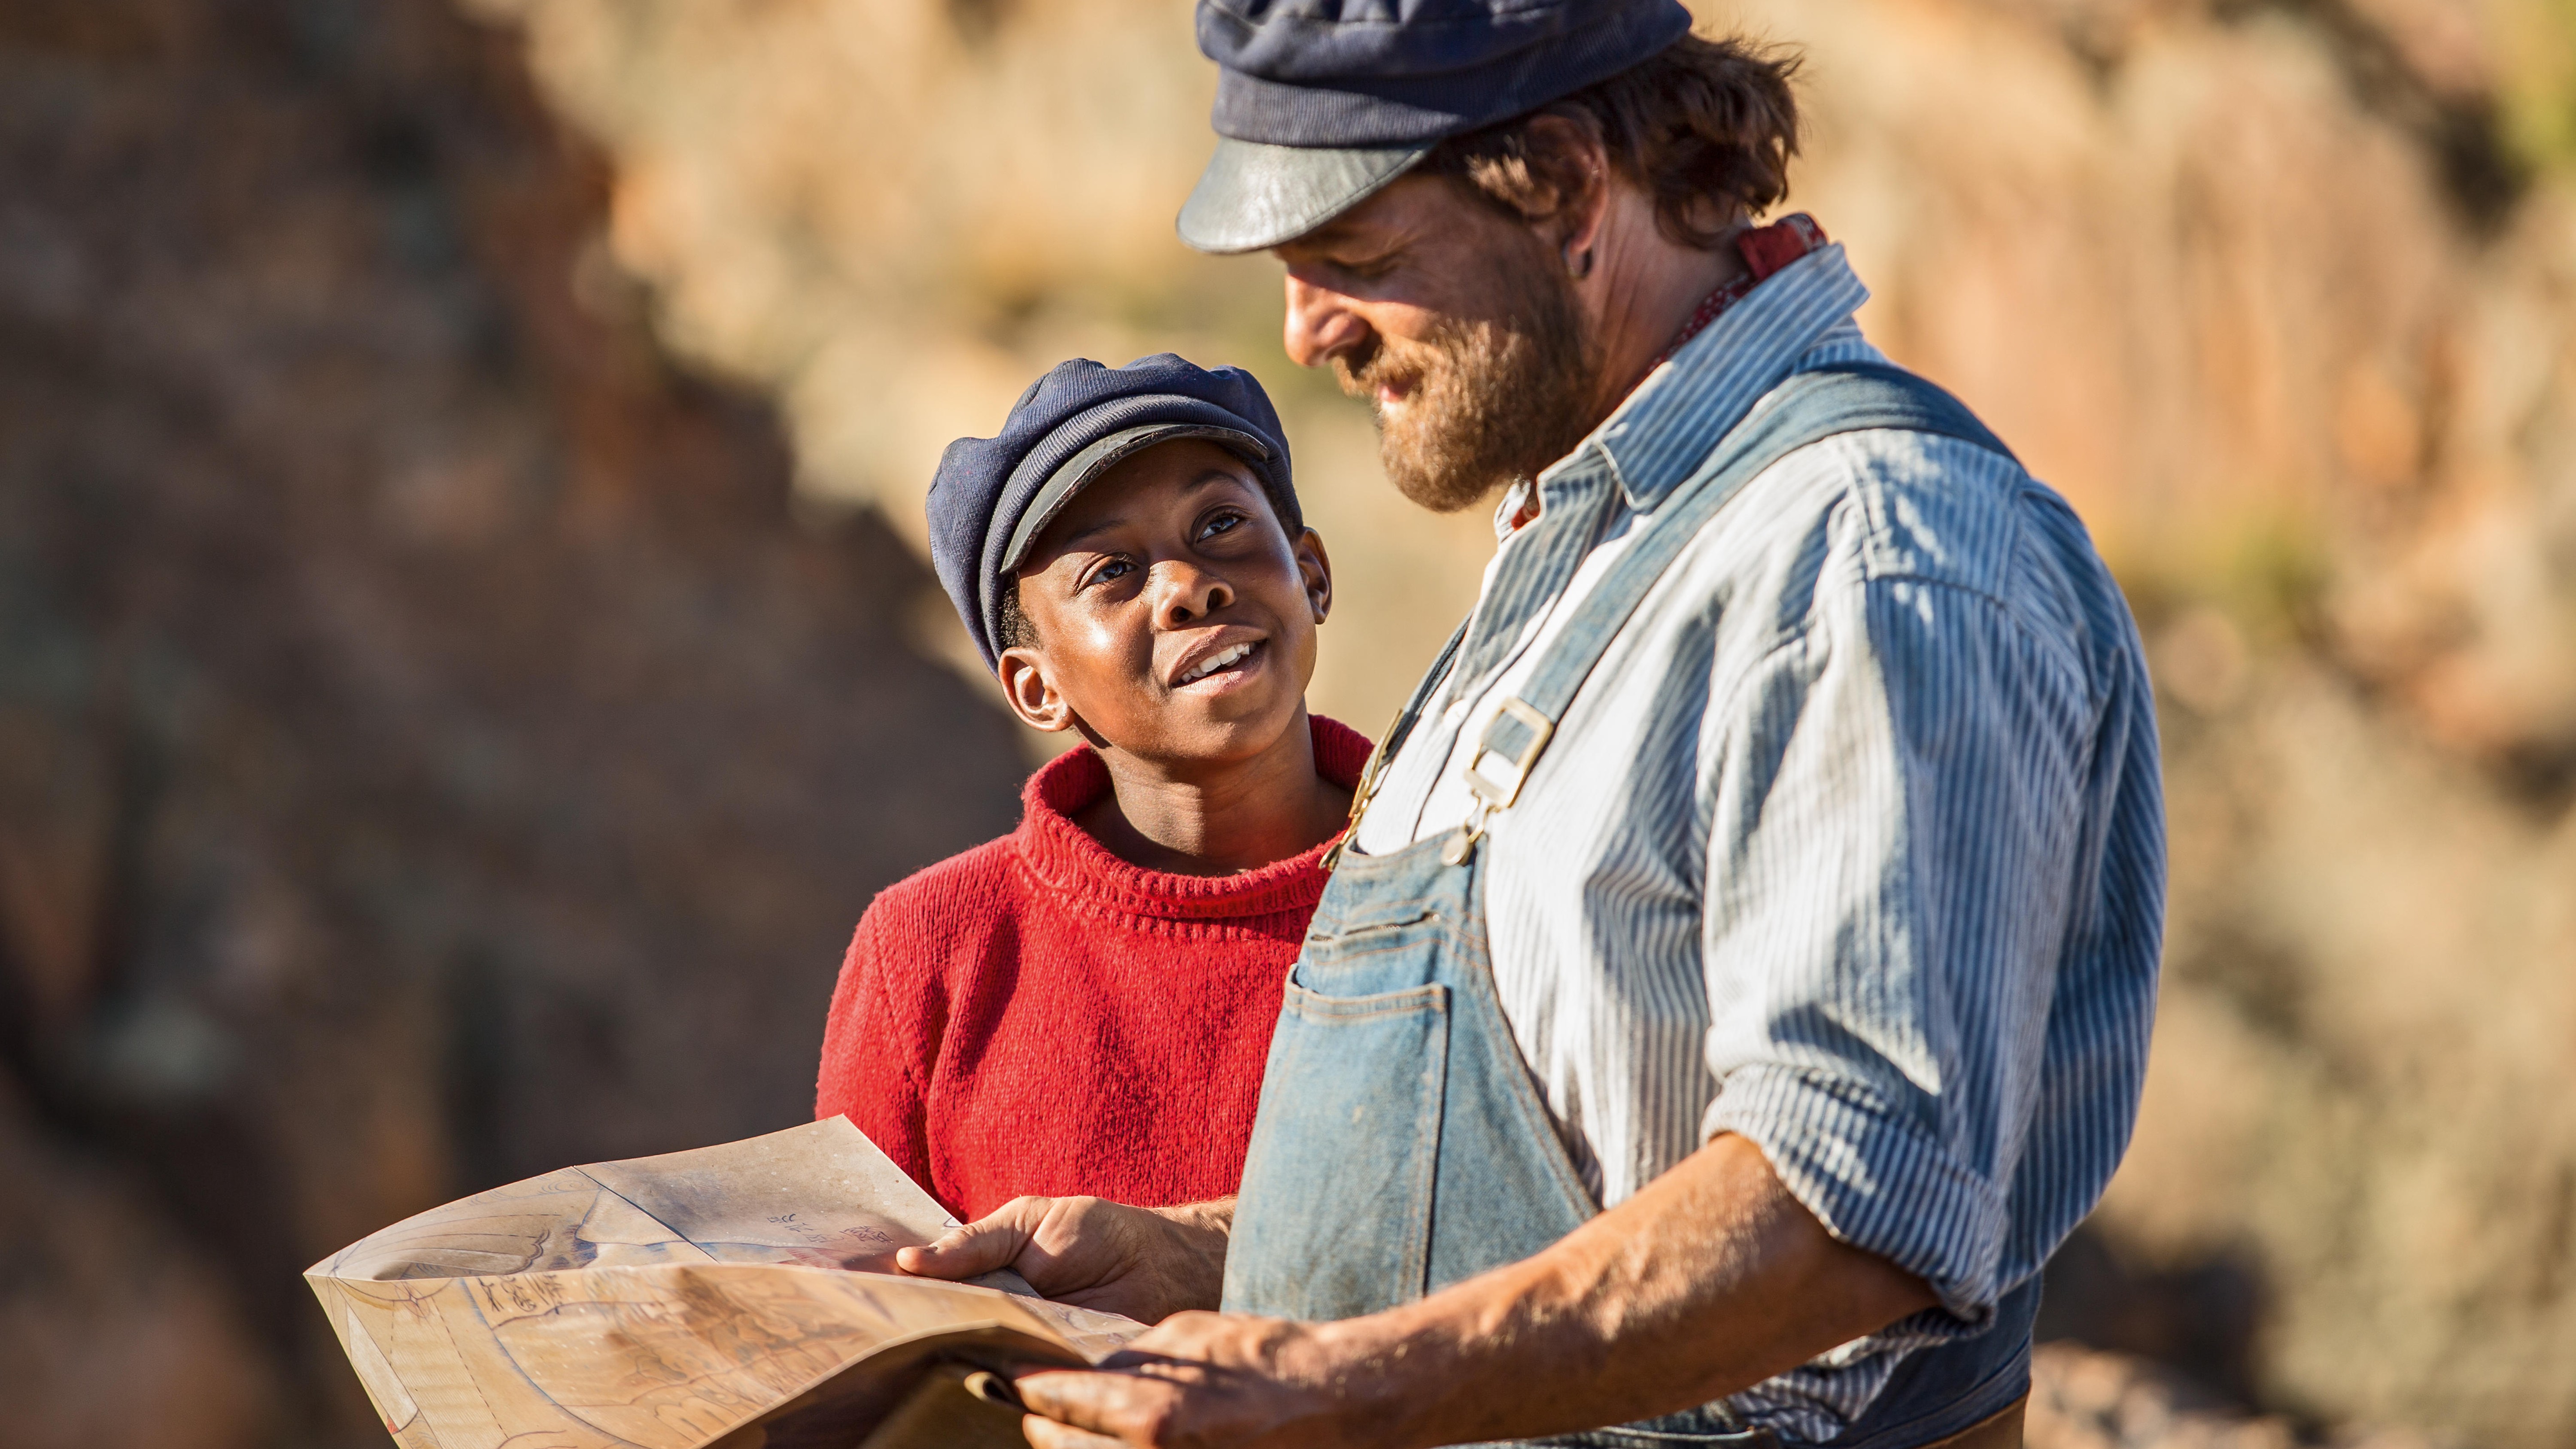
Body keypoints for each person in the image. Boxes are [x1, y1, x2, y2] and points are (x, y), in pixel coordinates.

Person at [891, 4, 2169, 1448]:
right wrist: (1212, 1261)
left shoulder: (1862, 555)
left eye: (1360, 259)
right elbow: (1595, 1153)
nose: (1306, 331)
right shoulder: (1598, 546)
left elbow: (1850, 1200)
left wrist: (1335, 1384)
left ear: (1561, 182)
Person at [812, 353, 1370, 1233]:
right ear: (1038, 687)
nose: (1187, 585)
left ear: (1312, 574)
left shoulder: (1461, 870)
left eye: (1221, 521)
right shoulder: (930, 951)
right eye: (1111, 571)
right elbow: (862, 1318)